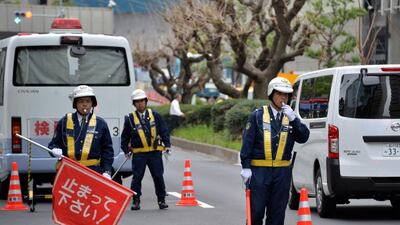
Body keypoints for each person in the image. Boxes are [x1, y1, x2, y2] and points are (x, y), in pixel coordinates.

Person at [240, 77, 310, 225]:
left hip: (282, 173)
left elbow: (303, 137)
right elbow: (247, 144)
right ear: (272, 94)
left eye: (286, 94)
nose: (283, 97)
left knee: (277, 215)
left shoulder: (291, 118)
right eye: (279, 94)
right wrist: (246, 167)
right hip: (259, 172)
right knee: (256, 212)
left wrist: (294, 119)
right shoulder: (257, 116)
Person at [48, 85, 114, 179]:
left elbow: (107, 151)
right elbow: (53, 144)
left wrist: (107, 171)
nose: (85, 104)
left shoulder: (101, 124)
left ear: (92, 104)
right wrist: (54, 150)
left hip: (93, 173)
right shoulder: (64, 121)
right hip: (69, 171)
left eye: (88, 101)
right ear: (75, 104)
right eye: (81, 101)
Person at [121, 89, 171, 210]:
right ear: (134, 103)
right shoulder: (129, 118)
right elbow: (124, 137)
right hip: (139, 154)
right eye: (137, 101)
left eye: (142, 101)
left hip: (155, 153)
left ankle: (161, 200)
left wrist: (167, 144)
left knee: (158, 176)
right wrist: (126, 151)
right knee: (137, 177)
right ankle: (136, 200)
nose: (140, 103)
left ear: (146, 101)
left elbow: (164, 130)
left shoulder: (155, 115)